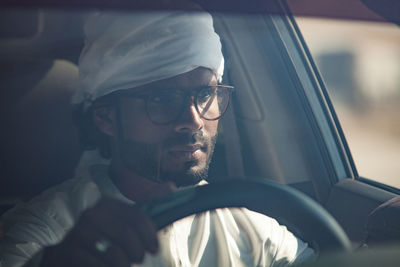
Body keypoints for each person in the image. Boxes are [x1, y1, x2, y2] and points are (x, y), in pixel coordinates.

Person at [0, 9, 313, 267]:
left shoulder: (249, 231)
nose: (192, 121)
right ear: (106, 117)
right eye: (162, 100)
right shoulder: (46, 232)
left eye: (205, 93)